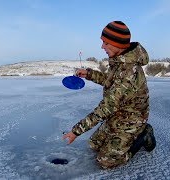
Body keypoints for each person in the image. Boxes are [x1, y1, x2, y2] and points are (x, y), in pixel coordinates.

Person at [62, 21, 156, 169]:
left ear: (118, 44)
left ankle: (143, 136)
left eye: (105, 43)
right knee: (94, 144)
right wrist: (89, 74)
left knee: (106, 161)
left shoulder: (129, 72)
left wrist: (76, 131)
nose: (102, 47)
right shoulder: (120, 61)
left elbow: (105, 108)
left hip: (131, 120)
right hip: (118, 115)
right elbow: (110, 81)